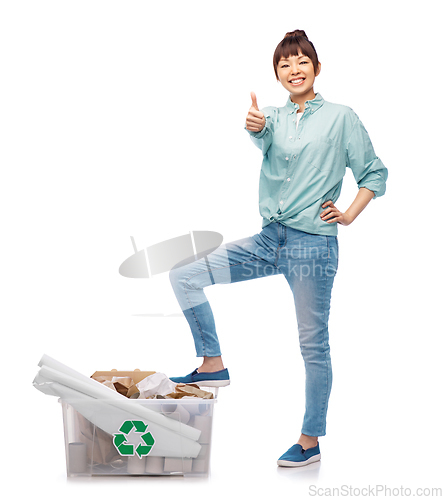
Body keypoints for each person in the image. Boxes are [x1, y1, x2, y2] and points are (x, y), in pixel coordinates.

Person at [169, 30, 388, 467]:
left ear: (316, 68)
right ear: (277, 73)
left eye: (301, 61)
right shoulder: (271, 117)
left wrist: (347, 214)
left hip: (313, 247)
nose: (294, 69)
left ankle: (310, 442)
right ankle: (212, 362)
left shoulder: (342, 117)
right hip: (269, 239)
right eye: (284, 64)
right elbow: (261, 133)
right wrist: (255, 125)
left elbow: (374, 174)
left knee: (313, 346)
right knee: (185, 274)